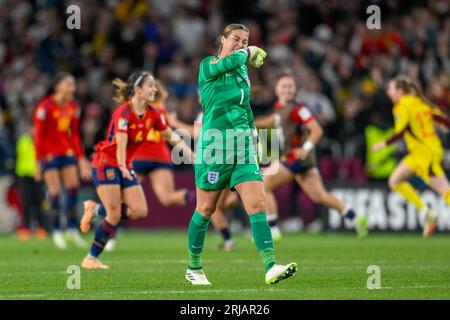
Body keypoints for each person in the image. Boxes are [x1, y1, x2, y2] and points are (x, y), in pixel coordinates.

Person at [185, 23, 297, 285]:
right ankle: (194, 266)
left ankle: (270, 265)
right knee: (205, 209)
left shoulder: (243, 72)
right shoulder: (208, 65)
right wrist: (248, 52)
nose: (240, 44)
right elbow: (225, 64)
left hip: (242, 147)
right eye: (236, 39)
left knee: (258, 203)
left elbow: (246, 108)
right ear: (222, 40)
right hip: (214, 147)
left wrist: (256, 140)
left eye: (245, 41)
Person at [80, 71, 193, 269]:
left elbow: (170, 135)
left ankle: (95, 209)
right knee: (114, 214)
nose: (155, 89)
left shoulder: (154, 113)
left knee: (140, 211)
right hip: (107, 162)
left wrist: (190, 154)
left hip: (125, 164)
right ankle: (91, 258)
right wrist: (122, 165)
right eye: (151, 85)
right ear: (138, 89)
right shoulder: (123, 112)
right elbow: (121, 141)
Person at [255, 72, 368, 239]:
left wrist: (306, 148)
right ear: (276, 89)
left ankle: (272, 229)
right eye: (284, 86)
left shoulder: (298, 109)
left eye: (290, 86)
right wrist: (249, 123)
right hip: (299, 160)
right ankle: (354, 216)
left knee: (264, 184)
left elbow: (317, 129)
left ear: (295, 90)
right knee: (320, 196)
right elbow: (271, 121)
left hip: (296, 157)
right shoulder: (280, 108)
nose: (288, 89)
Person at [372, 75, 450, 238]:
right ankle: (426, 211)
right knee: (394, 180)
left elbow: (401, 130)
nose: (388, 93)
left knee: (445, 191)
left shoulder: (401, 106)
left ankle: (427, 212)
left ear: (400, 91)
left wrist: (383, 144)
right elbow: (442, 119)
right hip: (421, 152)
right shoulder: (421, 102)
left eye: (390, 89)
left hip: (424, 154)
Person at [33, 73, 91, 249]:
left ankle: (72, 228)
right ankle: (57, 229)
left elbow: (74, 135)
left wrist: (81, 159)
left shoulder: (74, 106)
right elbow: (38, 136)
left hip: (66, 152)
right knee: (55, 191)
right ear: (57, 86)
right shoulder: (45, 107)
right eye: (68, 84)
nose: (72, 88)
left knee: (73, 186)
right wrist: (37, 162)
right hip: (49, 154)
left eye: (73, 84)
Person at [170, 109, 239, 251]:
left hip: (217, 161)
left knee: (212, 207)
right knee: (222, 203)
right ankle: (234, 220)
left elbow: (197, 133)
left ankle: (229, 240)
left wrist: (174, 122)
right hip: (230, 156)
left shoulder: (208, 109)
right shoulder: (227, 106)